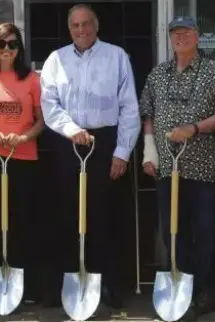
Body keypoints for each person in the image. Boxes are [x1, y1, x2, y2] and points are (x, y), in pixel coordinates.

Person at [39, 4, 140, 311]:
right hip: (68, 143)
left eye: (85, 24)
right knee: (67, 214)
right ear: (69, 29)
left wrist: (122, 152)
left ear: (96, 26)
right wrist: (71, 130)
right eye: (75, 25)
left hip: (104, 142)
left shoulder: (117, 56)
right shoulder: (56, 59)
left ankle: (106, 283)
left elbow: (129, 108)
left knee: (104, 215)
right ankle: (69, 284)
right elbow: (49, 104)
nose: (80, 30)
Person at [138, 16, 215, 315]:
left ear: (197, 37)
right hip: (167, 166)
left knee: (205, 230)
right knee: (172, 231)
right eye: (176, 33)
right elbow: (148, 113)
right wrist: (149, 150)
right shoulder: (158, 74)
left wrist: (194, 128)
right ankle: (182, 287)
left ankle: (207, 289)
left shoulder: (214, 72)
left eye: (187, 32)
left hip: (202, 167)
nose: (181, 37)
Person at [0, 22, 46, 306]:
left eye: (12, 44)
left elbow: (41, 121)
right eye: (1, 44)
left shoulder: (32, 80)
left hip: (24, 158)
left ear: (19, 48)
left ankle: (25, 284)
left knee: (22, 220)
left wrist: (23, 137)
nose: (7, 50)